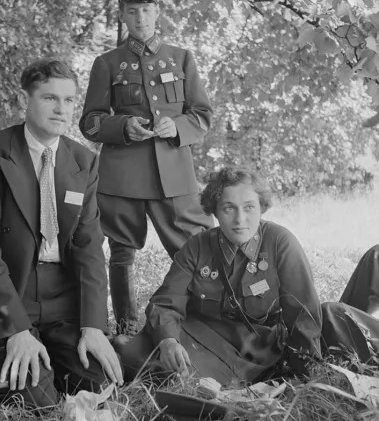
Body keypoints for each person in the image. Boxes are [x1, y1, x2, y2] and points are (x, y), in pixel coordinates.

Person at [0, 58, 123, 407]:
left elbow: (90, 247)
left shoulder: (83, 161)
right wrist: (16, 330)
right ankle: (1, 356)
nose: (61, 109)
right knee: (34, 402)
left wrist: (93, 326)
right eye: (50, 98)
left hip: (64, 301)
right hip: (11, 293)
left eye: (68, 100)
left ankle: (61, 351)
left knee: (99, 390)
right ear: (24, 102)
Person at [79, 0, 213, 334]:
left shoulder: (182, 58)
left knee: (193, 249)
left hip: (173, 174)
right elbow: (89, 122)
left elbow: (202, 116)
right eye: (132, 11)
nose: (140, 18)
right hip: (122, 177)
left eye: (146, 11)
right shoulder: (107, 63)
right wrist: (122, 127)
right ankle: (125, 329)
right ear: (122, 14)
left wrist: (178, 128)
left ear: (158, 13)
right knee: (122, 255)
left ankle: (200, 322)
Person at [114, 165, 323, 385]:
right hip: (200, 332)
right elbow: (166, 302)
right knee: (137, 355)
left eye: (249, 207)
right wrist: (168, 340)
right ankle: (127, 348)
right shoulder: (198, 246)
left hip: (253, 346)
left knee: (180, 377)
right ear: (214, 211)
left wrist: (306, 371)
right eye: (229, 209)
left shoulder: (280, 242)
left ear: (262, 208)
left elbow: (303, 312)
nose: (240, 219)